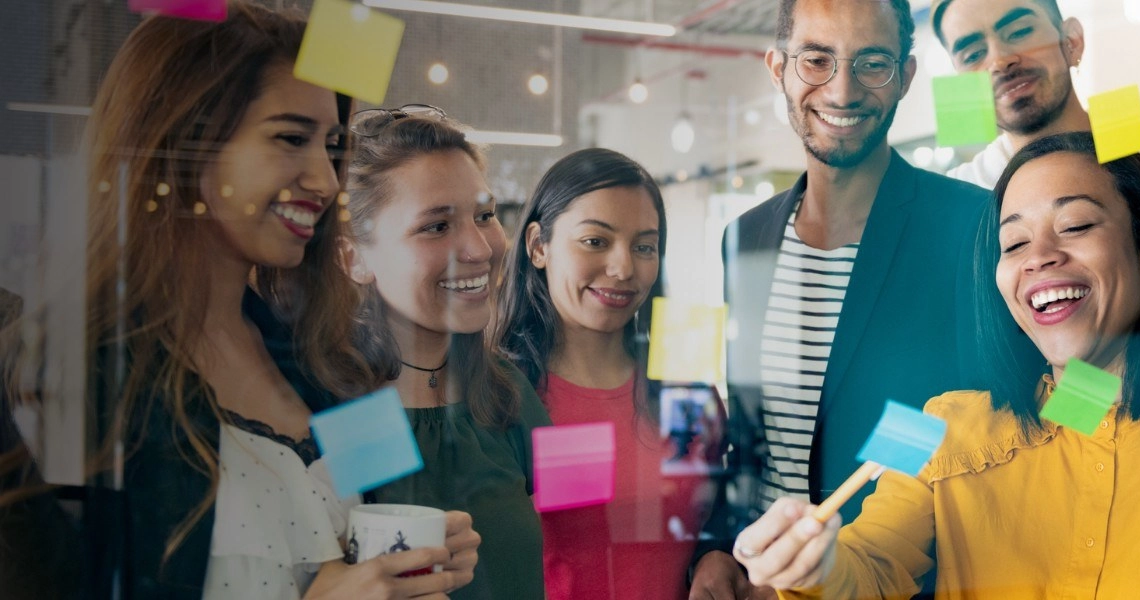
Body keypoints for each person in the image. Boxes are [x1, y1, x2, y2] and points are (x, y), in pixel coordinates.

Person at [727, 132, 1140, 599]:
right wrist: (817, 565)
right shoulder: (940, 425)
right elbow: (868, 567)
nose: (1040, 257)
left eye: (1076, 224)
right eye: (1015, 242)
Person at [63, 4, 477, 598]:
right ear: (184, 136)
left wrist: (425, 553)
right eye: (290, 138)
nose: (327, 178)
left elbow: (388, 510)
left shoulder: (331, 357)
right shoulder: (80, 372)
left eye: (332, 144)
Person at [688, 0, 1005, 596]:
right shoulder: (746, 239)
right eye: (816, 59)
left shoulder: (969, 226)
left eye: (872, 63)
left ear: (906, 76)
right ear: (777, 67)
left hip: (902, 581)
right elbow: (751, 434)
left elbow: (987, 423)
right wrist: (717, 550)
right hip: (763, 584)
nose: (841, 90)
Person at [340, 104, 551, 599]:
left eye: (484, 215)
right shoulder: (330, 408)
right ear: (354, 258)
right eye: (437, 226)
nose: (479, 248)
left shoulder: (505, 392)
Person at [493, 147, 722, 599]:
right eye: (595, 241)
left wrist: (716, 556)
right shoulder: (499, 396)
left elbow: (713, 517)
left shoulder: (687, 390)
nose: (623, 269)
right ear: (539, 246)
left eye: (644, 247)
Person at [931, 0, 1140, 258]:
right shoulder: (956, 199)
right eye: (973, 54)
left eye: (1019, 31)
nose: (999, 61)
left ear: (1072, 41)